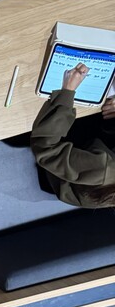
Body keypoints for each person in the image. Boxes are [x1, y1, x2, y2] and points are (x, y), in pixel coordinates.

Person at [31, 61, 115, 207]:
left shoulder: (104, 170)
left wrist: (67, 90)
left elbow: (46, 149)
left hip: (57, 157)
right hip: (93, 148)